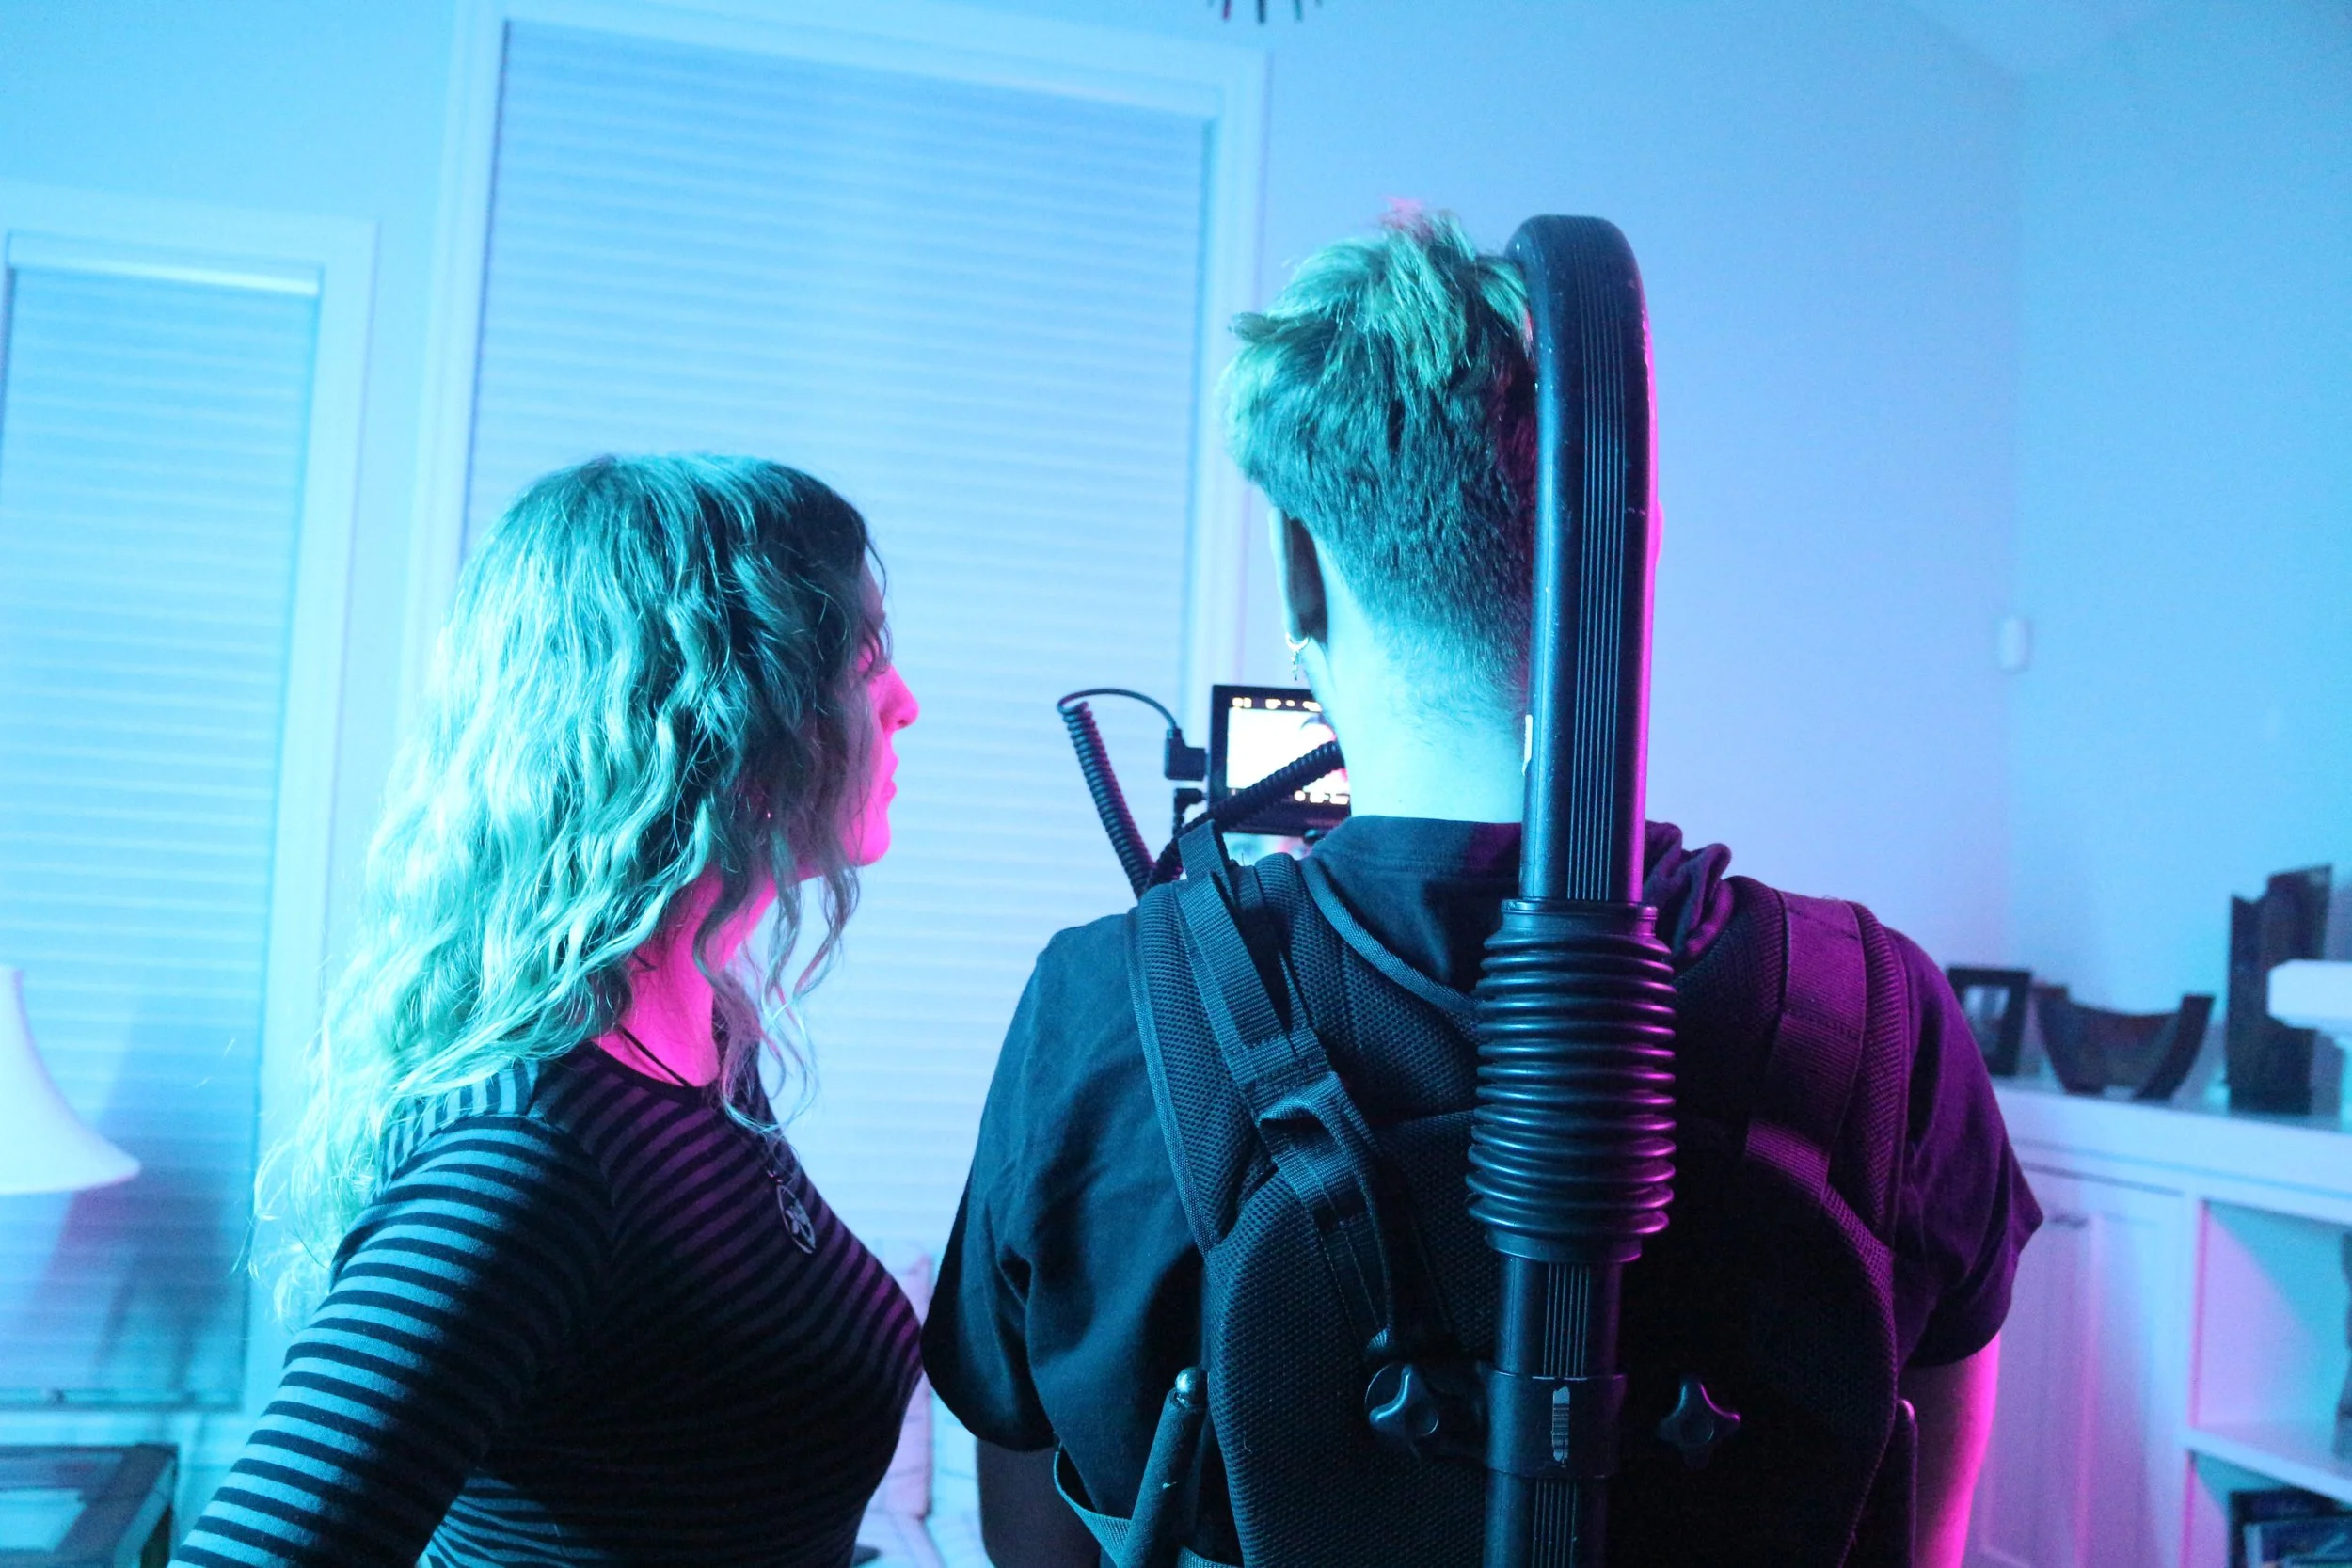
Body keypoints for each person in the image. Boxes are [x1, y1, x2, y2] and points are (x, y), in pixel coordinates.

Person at [922, 213, 2040, 1568]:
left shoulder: (1100, 1009)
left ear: (1297, 574)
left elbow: (1030, 1522)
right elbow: (1922, 1530)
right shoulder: (1879, 1020)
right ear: (1636, 549)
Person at [177, 455, 924, 1568]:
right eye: (858, 659)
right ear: (725, 712)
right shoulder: (528, 1157)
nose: (903, 702)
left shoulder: (706, 1042)